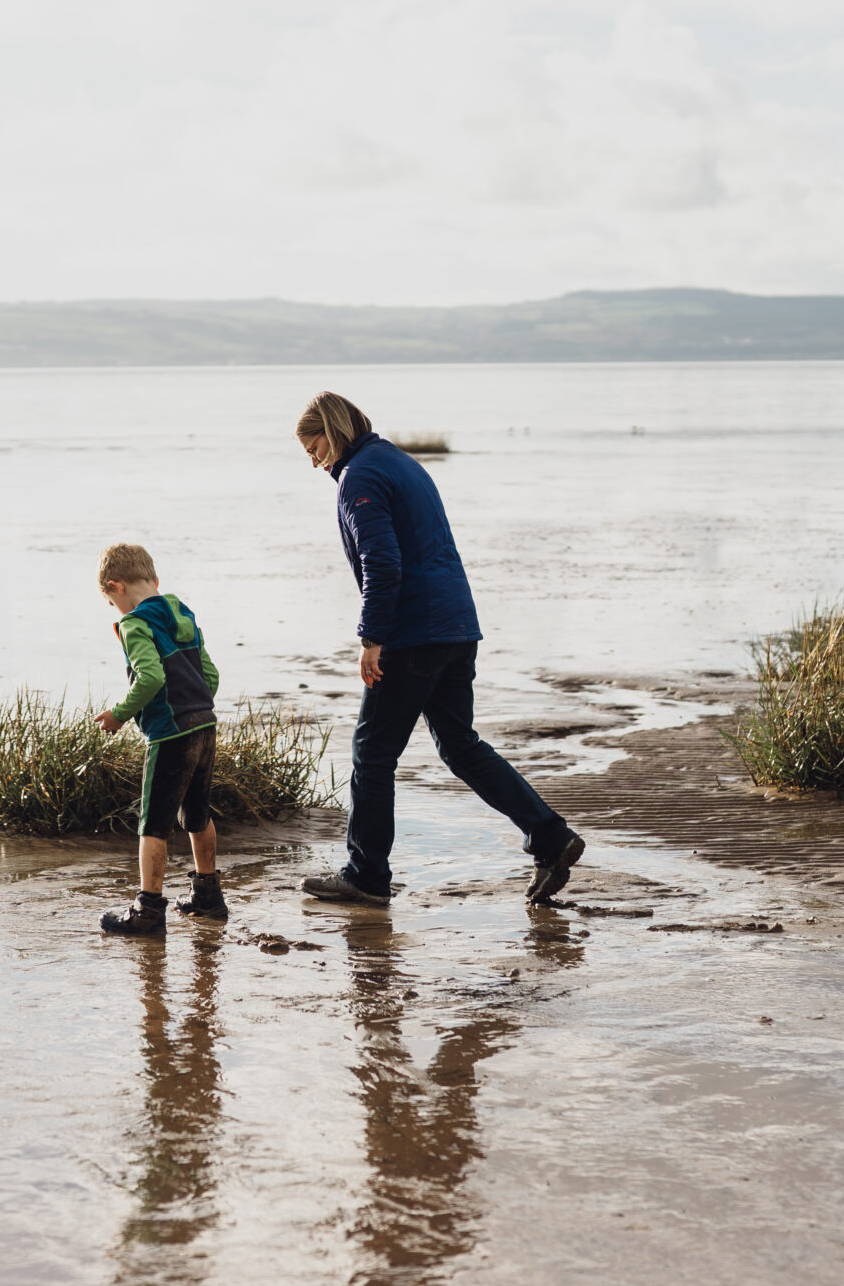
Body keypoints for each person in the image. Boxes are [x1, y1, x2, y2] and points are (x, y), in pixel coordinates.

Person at [293, 391, 585, 908]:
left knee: (373, 753)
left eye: (314, 448)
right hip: (456, 627)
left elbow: (383, 565)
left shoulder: (361, 475)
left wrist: (372, 638)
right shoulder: (401, 463)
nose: (314, 462)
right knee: (459, 745)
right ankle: (551, 837)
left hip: (413, 633)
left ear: (333, 432)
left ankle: (366, 875)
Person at [91, 543, 226, 935]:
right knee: (198, 814)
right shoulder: (180, 612)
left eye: (111, 602)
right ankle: (208, 896)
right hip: (205, 725)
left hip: (170, 735)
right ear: (155, 581)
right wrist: (196, 707)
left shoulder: (134, 625)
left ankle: (148, 912)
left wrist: (119, 714)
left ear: (115, 588)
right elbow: (211, 675)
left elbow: (151, 678)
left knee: (153, 825)